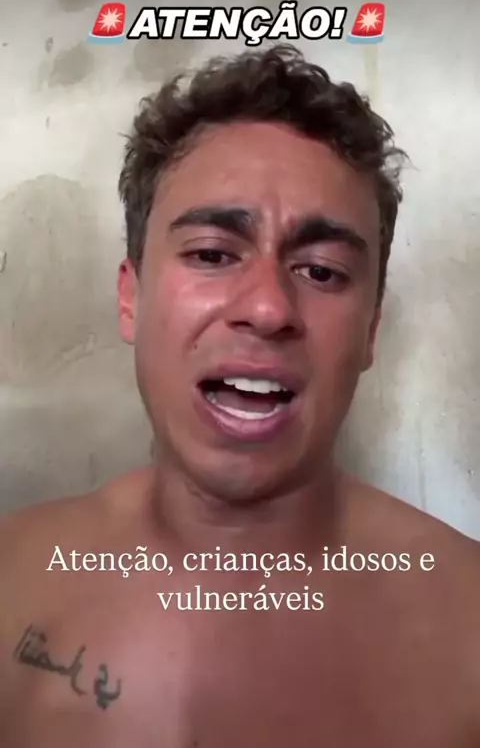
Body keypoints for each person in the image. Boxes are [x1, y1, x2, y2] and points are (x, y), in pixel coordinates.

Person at [0, 44, 479, 747]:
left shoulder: (467, 625)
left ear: (371, 331)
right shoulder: (10, 578)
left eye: (321, 270)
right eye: (212, 254)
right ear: (131, 297)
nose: (266, 308)